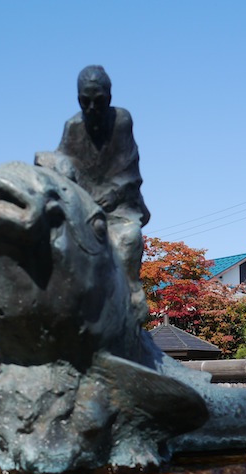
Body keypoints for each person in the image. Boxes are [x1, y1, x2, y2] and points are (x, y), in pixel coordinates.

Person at [35, 65, 150, 322]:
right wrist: (52, 163)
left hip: (118, 206)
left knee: (128, 239)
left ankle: (132, 291)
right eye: (84, 101)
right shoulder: (73, 126)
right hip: (82, 204)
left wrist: (114, 194)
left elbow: (129, 169)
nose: (91, 108)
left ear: (109, 97)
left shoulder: (121, 120)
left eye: (98, 101)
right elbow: (62, 159)